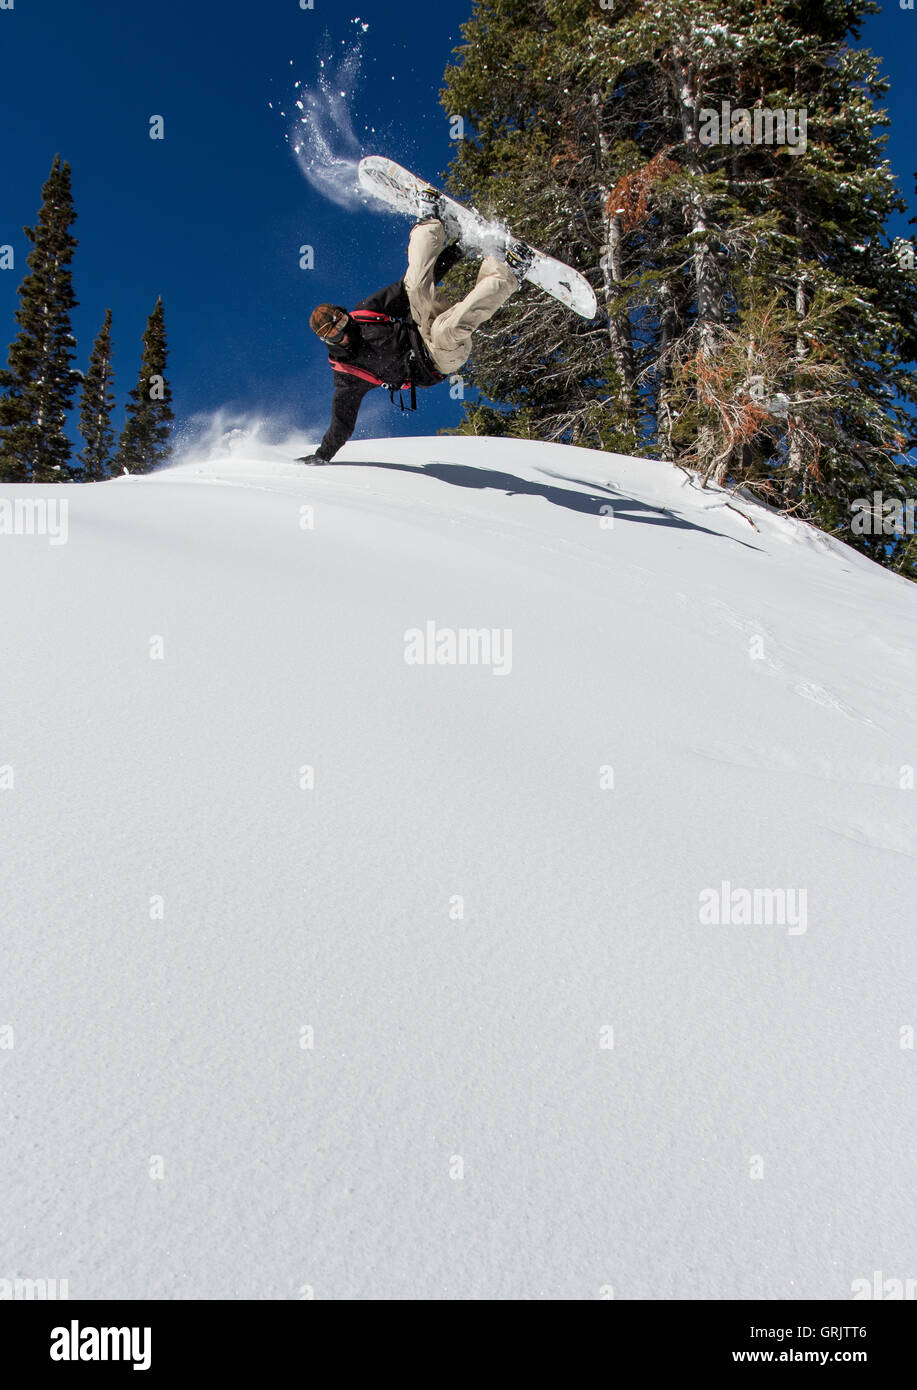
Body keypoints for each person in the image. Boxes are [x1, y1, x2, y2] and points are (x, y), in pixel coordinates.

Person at [300, 192, 534, 464]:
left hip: (422, 324)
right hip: (438, 358)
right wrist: (322, 455)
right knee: (446, 330)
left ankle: (431, 223)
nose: (343, 328)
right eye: (334, 332)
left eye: (341, 319)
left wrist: (457, 251)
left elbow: (414, 286)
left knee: (412, 286)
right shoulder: (348, 376)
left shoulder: (365, 313)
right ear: (326, 340)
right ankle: (505, 272)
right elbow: (342, 423)